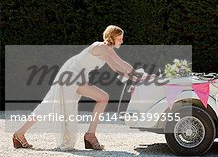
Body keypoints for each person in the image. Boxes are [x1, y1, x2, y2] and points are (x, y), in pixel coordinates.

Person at [12, 25, 144, 150]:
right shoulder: (102, 47)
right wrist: (138, 76)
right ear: (112, 37)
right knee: (48, 105)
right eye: (120, 38)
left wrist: (138, 77)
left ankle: (90, 135)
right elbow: (117, 66)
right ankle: (19, 134)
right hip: (70, 75)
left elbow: (120, 65)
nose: (122, 41)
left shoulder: (108, 49)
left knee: (102, 98)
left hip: (78, 77)